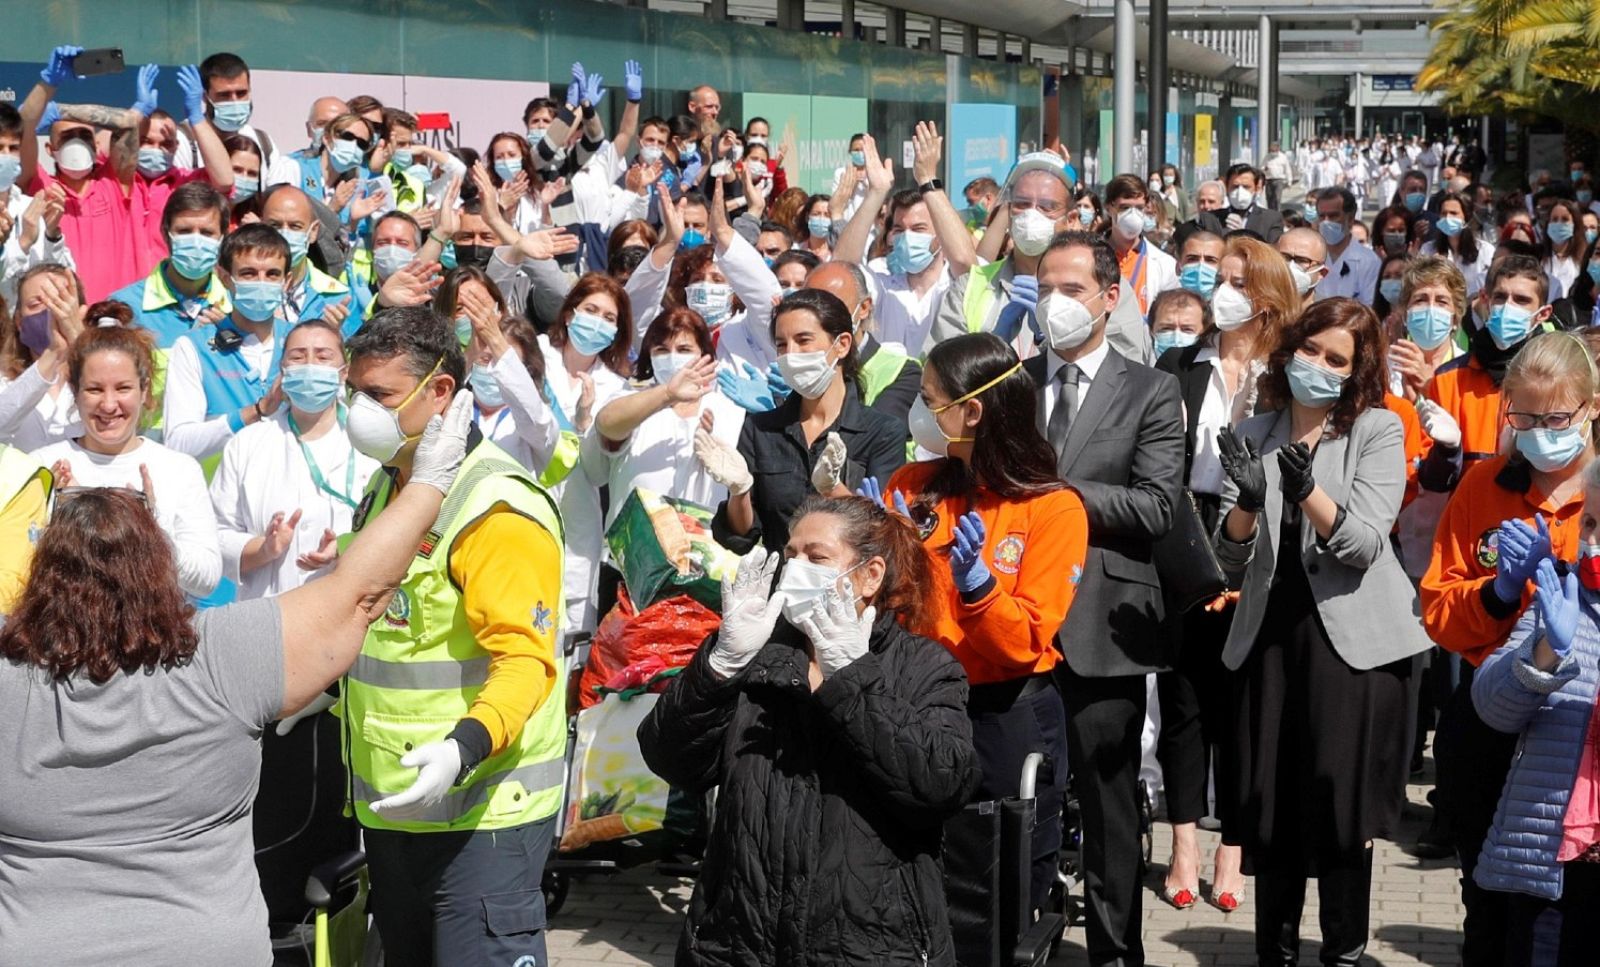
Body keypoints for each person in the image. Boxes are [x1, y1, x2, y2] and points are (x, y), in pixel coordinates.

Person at [0, 386, 471, 966]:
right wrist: (430, 483)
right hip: (203, 947)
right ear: (159, 567)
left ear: (41, 569)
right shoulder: (221, 654)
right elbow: (358, 593)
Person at [638, 496, 981, 967]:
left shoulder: (923, 667)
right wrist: (720, 665)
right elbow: (671, 758)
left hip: (871, 948)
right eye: (792, 555)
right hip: (738, 944)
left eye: (817, 558)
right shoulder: (761, 653)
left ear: (869, 575)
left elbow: (940, 783)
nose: (796, 568)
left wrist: (851, 678)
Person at [339, 307, 567, 967]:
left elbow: (525, 661)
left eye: (379, 395)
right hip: (395, 808)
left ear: (439, 392)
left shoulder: (494, 508)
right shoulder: (389, 488)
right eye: (355, 392)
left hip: (482, 810)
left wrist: (461, 749)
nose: (362, 411)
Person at [1213, 297, 1431, 966]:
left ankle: (1343, 952)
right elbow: (1227, 555)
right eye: (1311, 350)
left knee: (1341, 813)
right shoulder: (1255, 429)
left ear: (1356, 371)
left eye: (1336, 359)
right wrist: (1250, 503)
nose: (1319, 365)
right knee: (1267, 808)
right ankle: (1272, 953)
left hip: (1353, 648)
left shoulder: (1378, 429)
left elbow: (1365, 543)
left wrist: (1307, 491)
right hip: (1270, 640)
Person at [1022, 231, 1185, 966]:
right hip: (1016, 619)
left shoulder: (1151, 389)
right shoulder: (1012, 384)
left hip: (1104, 625)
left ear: (1110, 298)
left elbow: (1157, 507)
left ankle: (1116, 950)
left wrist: (1059, 495)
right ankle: (1026, 932)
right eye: (1043, 287)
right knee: (1026, 792)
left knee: (1108, 799)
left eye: (1071, 289)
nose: (1054, 303)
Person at [883, 332, 1088, 912]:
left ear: (972, 411)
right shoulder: (913, 487)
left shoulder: (1053, 507)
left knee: (1003, 883)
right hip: (919, 703)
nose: (919, 412)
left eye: (930, 399)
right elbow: (890, 613)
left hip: (1003, 714)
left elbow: (1023, 643)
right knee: (918, 877)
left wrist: (978, 587)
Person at [1421, 331, 1599, 967]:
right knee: (1488, 900)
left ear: (1592, 407)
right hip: (1490, 719)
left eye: (1557, 418)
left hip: (1579, 732)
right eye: (1524, 417)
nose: (1541, 432)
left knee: (1570, 910)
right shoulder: (1485, 486)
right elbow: (1439, 611)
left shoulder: (1598, 491)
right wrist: (1497, 595)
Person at [1153, 234, 1298, 913]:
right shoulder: (1181, 364)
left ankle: (1232, 851)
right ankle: (1183, 844)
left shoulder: (1288, 372)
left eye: (1238, 278)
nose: (1221, 287)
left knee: (1242, 707)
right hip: (1188, 530)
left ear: (1268, 293)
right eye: (1217, 274)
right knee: (1183, 700)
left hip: (1260, 535)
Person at [1469, 456, 1600, 966]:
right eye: (1590, 521)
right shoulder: (1563, 595)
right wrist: (1547, 648)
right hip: (1552, 863)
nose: (1592, 538)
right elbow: (1492, 707)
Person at [708, 289, 907, 554]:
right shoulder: (760, 428)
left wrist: (834, 488)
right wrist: (739, 491)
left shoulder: (882, 432)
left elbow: (883, 535)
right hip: (779, 584)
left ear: (842, 344)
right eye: (781, 344)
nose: (791, 353)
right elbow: (740, 536)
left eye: (804, 340)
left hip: (848, 587)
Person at [32, 325, 220, 600]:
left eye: (123, 388)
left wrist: (152, 532)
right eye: (95, 389)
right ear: (75, 391)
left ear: (144, 390)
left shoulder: (180, 469)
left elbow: (207, 578)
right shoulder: (43, 465)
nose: (109, 405)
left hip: (153, 637)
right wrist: (64, 525)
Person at [209, 320, 377, 600]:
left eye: (323, 356)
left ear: (344, 372)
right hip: (267, 617)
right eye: (298, 357)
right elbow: (217, 535)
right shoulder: (248, 443)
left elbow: (394, 528)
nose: (310, 365)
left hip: (347, 615)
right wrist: (264, 549)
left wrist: (347, 548)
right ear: (283, 371)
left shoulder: (371, 443)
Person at [932, 155, 1151, 364]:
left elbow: (1127, 370)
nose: (1031, 215)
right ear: (1008, 213)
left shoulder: (1103, 286)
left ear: (1071, 218)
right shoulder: (970, 287)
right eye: (1022, 204)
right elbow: (940, 377)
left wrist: (1055, 340)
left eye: (1046, 207)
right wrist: (992, 348)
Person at [833, 126, 975, 358]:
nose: (907, 236)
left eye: (919, 229)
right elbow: (841, 266)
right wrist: (876, 193)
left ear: (940, 234)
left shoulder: (954, 285)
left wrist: (928, 179)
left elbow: (966, 262)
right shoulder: (882, 284)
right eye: (899, 229)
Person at [591, 306, 737, 518]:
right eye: (661, 350)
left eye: (684, 349)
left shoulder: (728, 409)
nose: (672, 357)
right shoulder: (631, 399)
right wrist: (668, 394)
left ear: (704, 355)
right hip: (636, 542)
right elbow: (606, 424)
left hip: (707, 541)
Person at [1426, 254, 1552, 482]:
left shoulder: (1556, 380)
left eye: (1521, 300)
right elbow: (1431, 481)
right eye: (1500, 297)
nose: (1507, 307)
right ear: (1486, 300)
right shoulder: (1448, 379)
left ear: (1542, 314)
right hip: (1468, 510)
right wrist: (1447, 452)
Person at [110, 182, 233, 349]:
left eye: (206, 233)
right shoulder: (123, 307)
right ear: (165, 234)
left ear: (222, 238)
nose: (196, 241)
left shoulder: (237, 308)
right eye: (184, 231)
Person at [0, 263, 85, 451]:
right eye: (36, 304)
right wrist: (53, 353)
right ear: (19, 322)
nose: (50, 310)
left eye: (61, 300)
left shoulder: (107, 367)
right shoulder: (3, 378)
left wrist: (81, 342)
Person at [0, 103, 76, 309]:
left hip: (31, 336)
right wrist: (22, 243)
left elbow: (68, 281)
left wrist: (52, 236)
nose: (6, 156)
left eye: (13, 148)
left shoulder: (30, 208)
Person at [1418, 191, 1496, 300]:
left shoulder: (1486, 251)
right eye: (1444, 213)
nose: (1448, 217)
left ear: (1466, 217)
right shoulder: (1428, 249)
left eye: (1454, 213)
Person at [1313, 187, 1381, 306]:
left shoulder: (1369, 261)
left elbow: (1369, 309)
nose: (1326, 222)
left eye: (1333, 216)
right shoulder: (1312, 257)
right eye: (1322, 216)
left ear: (1350, 218)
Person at [1198, 164, 1285, 244]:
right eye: (1235, 186)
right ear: (1227, 188)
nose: (1240, 192)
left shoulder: (1271, 219)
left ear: (1256, 189)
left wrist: (1243, 235)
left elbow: (1273, 253)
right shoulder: (1209, 219)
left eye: (1246, 187)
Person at [1543, 198, 1585, 302]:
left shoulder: (1584, 260)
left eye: (1565, 219)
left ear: (1574, 224)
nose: (1559, 223)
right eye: (1555, 219)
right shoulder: (1538, 257)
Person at [1176, 229, 1225, 300]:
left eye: (1210, 260)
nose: (1200, 266)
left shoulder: (1230, 308)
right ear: (1178, 266)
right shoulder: (1163, 307)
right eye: (1192, 259)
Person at [1263, 142, 1293, 210]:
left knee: (1277, 198)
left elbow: (1287, 169)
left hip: (1279, 180)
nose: (1273, 152)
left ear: (1278, 149)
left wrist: (1289, 181)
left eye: (1274, 150)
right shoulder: (1267, 157)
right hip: (1269, 180)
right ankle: (1270, 213)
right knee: (1269, 198)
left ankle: (1277, 213)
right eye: (1272, 150)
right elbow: (1262, 167)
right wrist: (1264, 169)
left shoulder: (1283, 157)